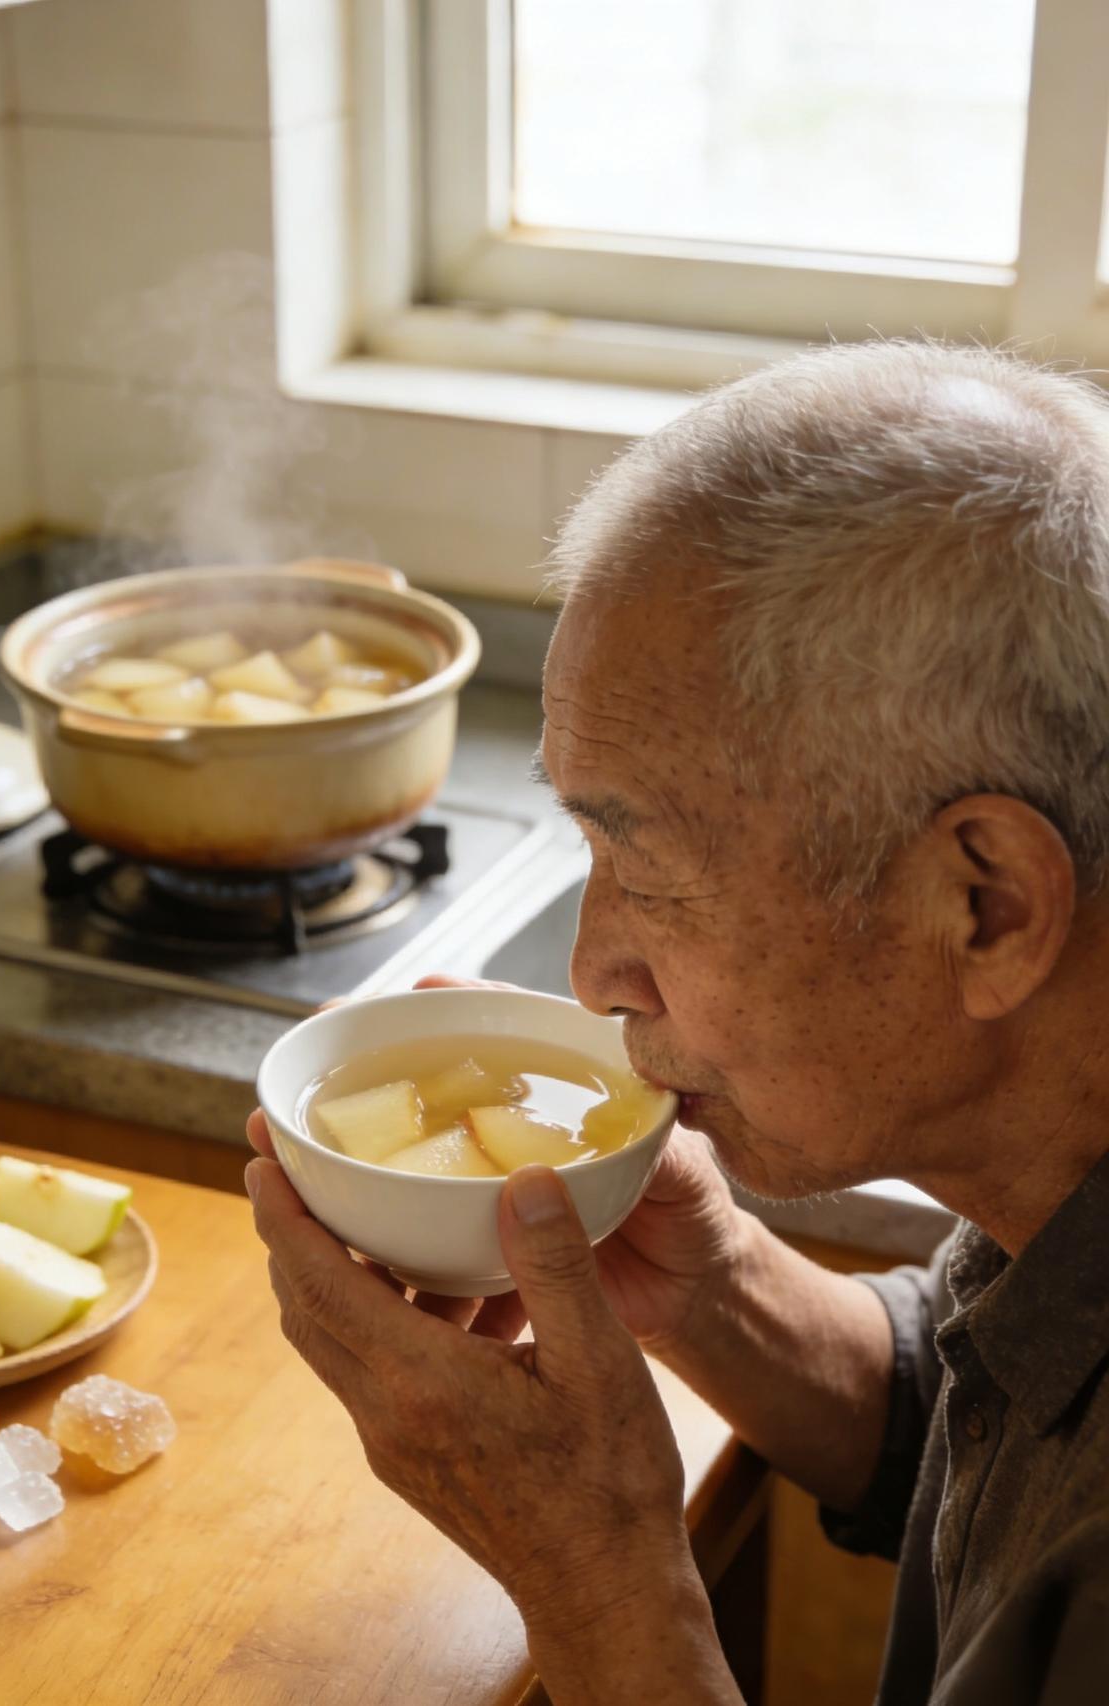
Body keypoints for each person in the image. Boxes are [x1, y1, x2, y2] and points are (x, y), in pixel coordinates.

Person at [246, 340, 1109, 1704]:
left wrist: (600, 1578)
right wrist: (714, 1290)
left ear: (987, 906)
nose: (594, 971)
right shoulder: (1051, 1181)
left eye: (646, 867)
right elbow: (977, 1412)